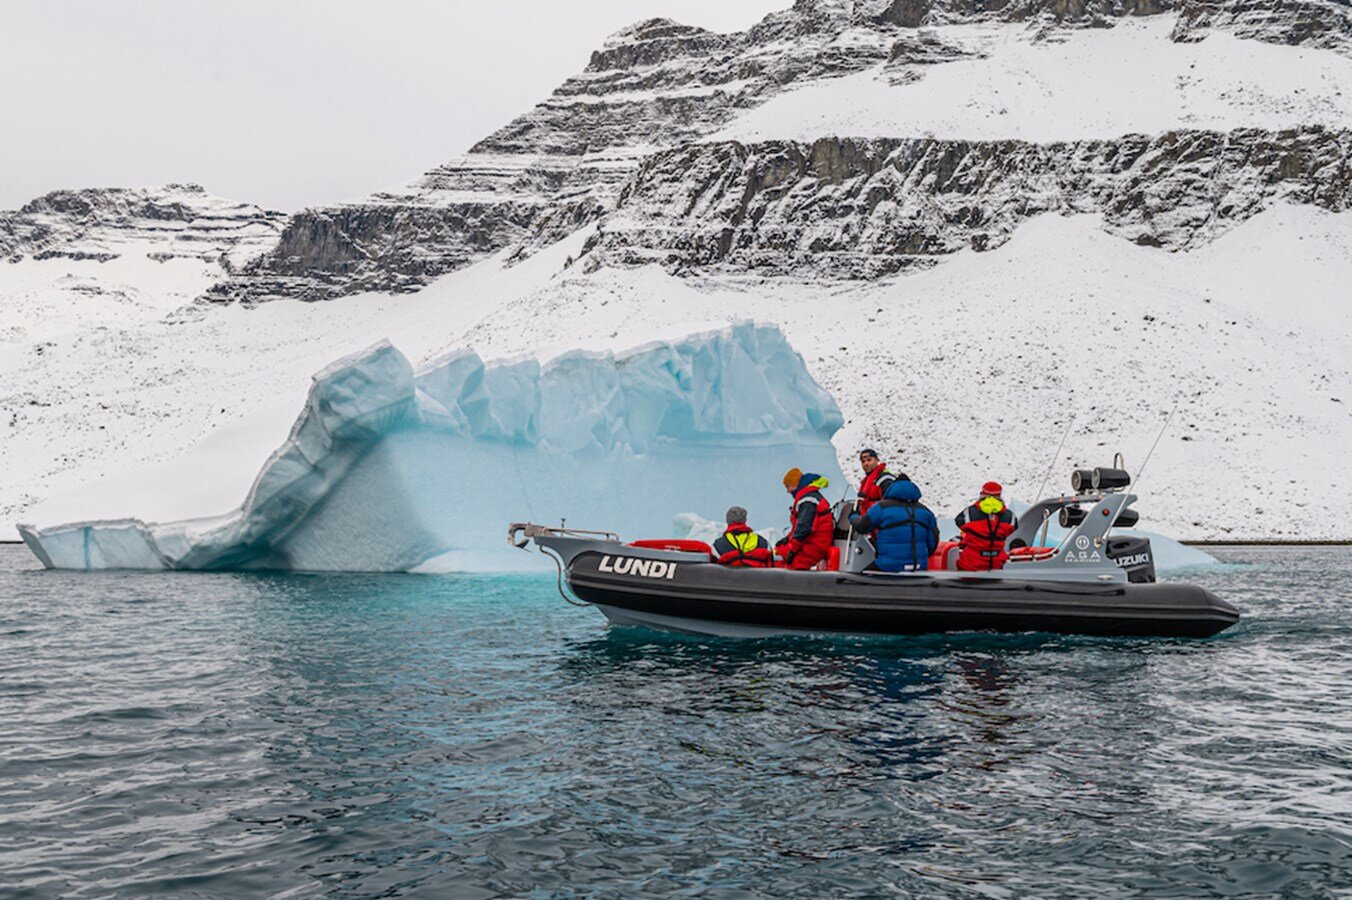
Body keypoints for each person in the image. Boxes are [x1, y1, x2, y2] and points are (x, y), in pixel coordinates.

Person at [849, 478, 939, 571]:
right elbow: (933, 542)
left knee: (863, 576)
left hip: (887, 566)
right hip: (919, 567)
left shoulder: (881, 508)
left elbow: (861, 527)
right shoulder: (926, 512)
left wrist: (853, 516)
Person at [777, 467, 834, 570]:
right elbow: (799, 528)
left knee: (792, 566)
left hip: (815, 544)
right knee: (779, 553)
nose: (788, 491)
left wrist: (792, 550)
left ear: (795, 484)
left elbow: (804, 529)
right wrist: (788, 539)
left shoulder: (808, 501)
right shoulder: (807, 498)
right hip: (809, 542)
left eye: (788, 486)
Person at [954, 481, 1019, 571]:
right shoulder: (1010, 517)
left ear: (982, 494)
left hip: (970, 564)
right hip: (998, 564)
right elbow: (1014, 526)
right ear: (1000, 496)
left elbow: (959, 522)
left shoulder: (969, 513)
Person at [856, 448, 906, 518]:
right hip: (868, 523)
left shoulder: (884, 479)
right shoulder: (866, 482)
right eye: (863, 461)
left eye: (869, 460)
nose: (866, 464)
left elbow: (891, 504)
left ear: (877, 460)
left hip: (880, 523)